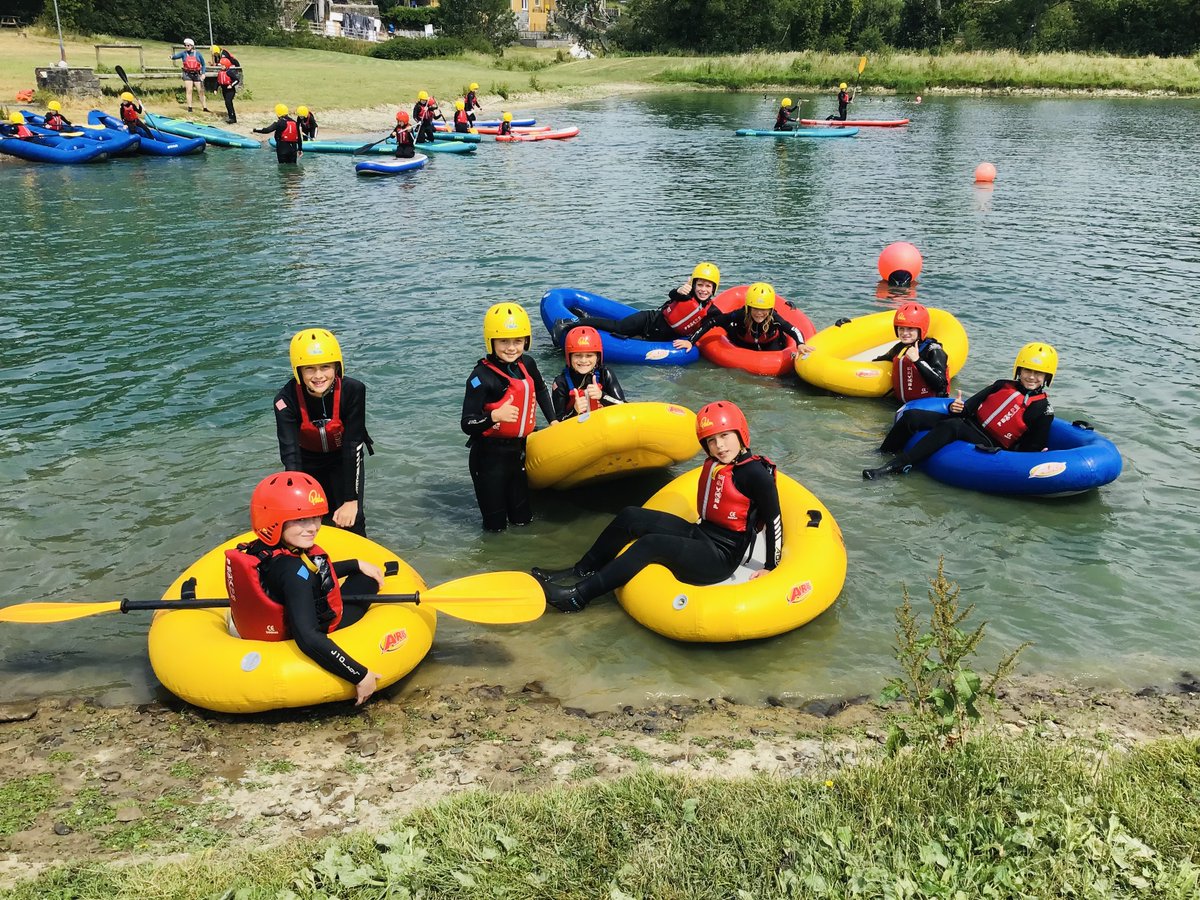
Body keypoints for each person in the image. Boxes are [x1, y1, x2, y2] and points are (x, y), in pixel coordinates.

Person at [533, 401, 782, 612]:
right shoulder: (719, 464)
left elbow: (773, 520)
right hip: (701, 533)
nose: (720, 446)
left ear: (740, 433)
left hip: (720, 557)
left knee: (651, 544)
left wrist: (771, 567)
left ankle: (578, 596)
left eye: (725, 436)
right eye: (712, 440)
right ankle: (581, 570)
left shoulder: (755, 474)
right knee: (631, 516)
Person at [225, 472, 384, 706]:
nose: (313, 528)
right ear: (275, 521)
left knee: (359, 572)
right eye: (300, 520)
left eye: (316, 518)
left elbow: (305, 573)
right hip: (299, 629)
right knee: (367, 581)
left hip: (264, 620)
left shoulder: (264, 550)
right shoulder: (292, 572)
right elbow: (308, 638)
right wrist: (359, 675)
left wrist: (353, 564)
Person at [863, 342, 1058, 479]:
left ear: (1047, 377)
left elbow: (1029, 450)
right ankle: (883, 452)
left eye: (1038, 373)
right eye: (1027, 371)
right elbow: (967, 409)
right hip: (970, 424)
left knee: (953, 426)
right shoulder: (1001, 385)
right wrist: (955, 407)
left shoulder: (1042, 409)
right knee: (911, 416)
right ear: (1019, 370)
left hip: (992, 442)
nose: (1031, 377)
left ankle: (897, 466)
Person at [460, 302, 556, 532]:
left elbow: (541, 390)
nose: (511, 348)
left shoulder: (528, 364)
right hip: (488, 459)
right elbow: (467, 423)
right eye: (503, 341)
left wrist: (553, 420)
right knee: (495, 528)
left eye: (517, 341)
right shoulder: (480, 377)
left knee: (523, 520)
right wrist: (494, 415)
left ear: (526, 341)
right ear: (491, 341)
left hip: (519, 453)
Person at [274, 328, 373, 535]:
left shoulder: (353, 391)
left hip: (343, 459)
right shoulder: (285, 401)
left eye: (325, 367)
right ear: (297, 370)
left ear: (337, 367)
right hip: (307, 462)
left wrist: (350, 500)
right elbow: (290, 456)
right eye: (309, 369)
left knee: (352, 518)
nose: (318, 376)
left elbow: (352, 445)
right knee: (309, 520)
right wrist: (298, 501)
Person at [555, 262, 723, 349]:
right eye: (700, 284)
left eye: (708, 286)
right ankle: (570, 323)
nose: (703, 289)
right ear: (693, 284)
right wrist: (679, 289)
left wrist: (691, 342)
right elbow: (673, 295)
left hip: (657, 338)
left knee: (623, 334)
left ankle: (586, 318)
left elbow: (712, 325)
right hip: (649, 320)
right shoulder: (686, 293)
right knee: (618, 327)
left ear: (714, 289)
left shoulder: (712, 311)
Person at [677, 282, 814, 355]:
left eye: (764, 309)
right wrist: (691, 341)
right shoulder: (741, 315)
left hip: (770, 345)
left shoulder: (774, 318)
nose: (759, 313)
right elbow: (713, 321)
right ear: (748, 307)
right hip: (742, 341)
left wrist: (800, 344)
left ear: (770, 309)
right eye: (755, 308)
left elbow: (794, 329)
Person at [872, 302, 950, 404]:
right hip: (903, 403)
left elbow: (940, 384)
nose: (904, 333)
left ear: (921, 329)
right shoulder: (900, 347)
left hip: (930, 404)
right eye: (901, 328)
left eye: (910, 328)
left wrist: (917, 360)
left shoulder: (934, 351)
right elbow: (883, 358)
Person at [551, 326, 626, 421]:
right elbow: (557, 422)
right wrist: (574, 410)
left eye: (589, 355)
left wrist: (602, 396)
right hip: (578, 432)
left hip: (604, 427)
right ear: (569, 357)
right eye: (577, 355)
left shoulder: (605, 374)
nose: (583, 360)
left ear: (597, 358)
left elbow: (624, 406)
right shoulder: (561, 382)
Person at [170, 38, 209, 113]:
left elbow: (203, 64)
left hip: (196, 74)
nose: (186, 46)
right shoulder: (183, 53)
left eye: (188, 45)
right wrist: (172, 57)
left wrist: (203, 74)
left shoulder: (198, 54)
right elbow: (176, 56)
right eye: (185, 45)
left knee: (200, 91)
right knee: (189, 90)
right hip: (187, 74)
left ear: (192, 46)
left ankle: (204, 107)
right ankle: (190, 107)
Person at [216, 59, 239, 124]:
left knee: (228, 102)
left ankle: (233, 118)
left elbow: (237, 80)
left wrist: (231, 85)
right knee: (227, 103)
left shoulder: (229, 72)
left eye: (223, 65)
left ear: (226, 65)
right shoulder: (220, 72)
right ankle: (230, 116)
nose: (221, 67)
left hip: (230, 90)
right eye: (221, 65)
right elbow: (218, 81)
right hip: (224, 90)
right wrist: (215, 89)